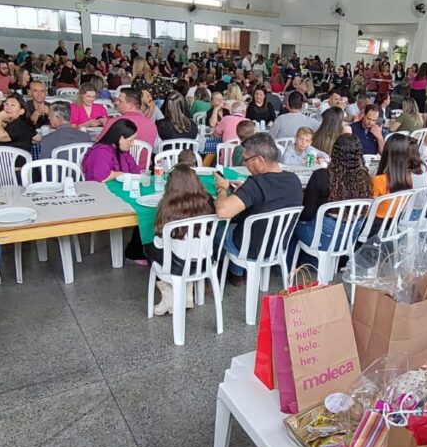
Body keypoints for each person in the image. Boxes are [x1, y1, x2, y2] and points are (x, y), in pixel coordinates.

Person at [213, 134, 303, 285]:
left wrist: (222, 189)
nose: (245, 164)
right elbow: (269, 196)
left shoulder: (255, 184)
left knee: (219, 233)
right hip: (278, 244)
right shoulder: (294, 180)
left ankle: (227, 271)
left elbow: (222, 211)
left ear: (260, 160)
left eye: (246, 160)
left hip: (250, 247)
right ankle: (237, 271)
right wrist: (244, 192)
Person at [290, 133, 372, 267]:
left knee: (293, 224)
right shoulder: (365, 178)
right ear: (359, 154)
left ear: (334, 151)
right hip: (349, 238)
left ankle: (289, 268)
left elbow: (307, 214)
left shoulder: (321, 176)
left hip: (322, 238)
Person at [148, 164, 216, 315]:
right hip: (206, 261)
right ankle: (186, 294)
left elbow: (159, 242)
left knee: (149, 249)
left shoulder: (168, 208)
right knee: (184, 248)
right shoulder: (209, 202)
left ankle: (168, 297)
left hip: (179, 265)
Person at [372, 133, 420, 218]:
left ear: (387, 153)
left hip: (375, 225)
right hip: (394, 222)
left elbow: (369, 210)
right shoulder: (408, 179)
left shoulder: (378, 180)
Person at [82, 119, 140, 183]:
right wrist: (121, 174)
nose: (132, 144)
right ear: (121, 139)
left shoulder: (123, 151)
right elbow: (101, 177)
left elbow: (136, 171)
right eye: (131, 140)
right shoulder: (101, 152)